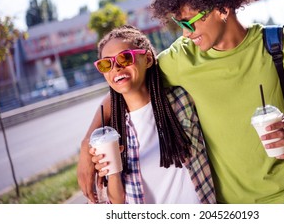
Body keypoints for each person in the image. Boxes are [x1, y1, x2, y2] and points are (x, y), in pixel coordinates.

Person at [78, 0, 284, 204]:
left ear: (223, 8)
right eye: (180, 24)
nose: (185, 34)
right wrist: (87, 145)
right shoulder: (182, 59)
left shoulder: (279, 44)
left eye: (189, 22)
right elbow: (128, 81)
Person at [84, 25, 215, 204]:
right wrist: (113, 172)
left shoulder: (182, 100)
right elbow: (118, 202)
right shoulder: (112, 133)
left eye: (125, 58)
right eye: (106, 64)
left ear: (147, 59)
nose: (116, 68)